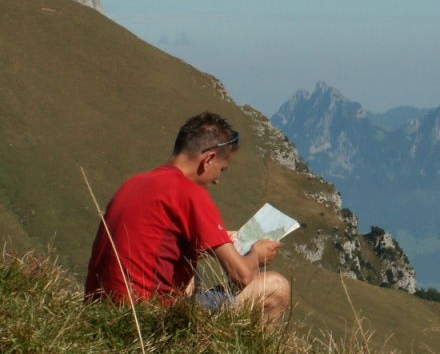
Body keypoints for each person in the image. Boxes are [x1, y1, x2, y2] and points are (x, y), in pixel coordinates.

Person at [85, 112, 290, 321]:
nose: (217, 180)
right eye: (221, 170)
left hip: (101, 313)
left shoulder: (133, 183)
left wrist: (218, 241)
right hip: (147, 319)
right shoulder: (190, 192)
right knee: (276, 288)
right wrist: (256, 255)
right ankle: (251, 353)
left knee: (190, 271)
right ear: (208, 159)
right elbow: (242, 276)